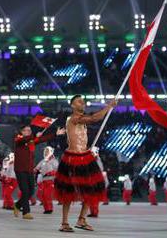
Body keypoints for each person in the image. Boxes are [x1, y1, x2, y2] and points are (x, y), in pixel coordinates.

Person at [54, 95, 117, 232]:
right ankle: (64, 223)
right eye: (78, 101)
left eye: (83, 101)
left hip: (85, 156)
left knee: (92, 189)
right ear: (72, 105)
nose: (82, 103)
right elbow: (95, 118)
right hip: (72, 157)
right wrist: (109, 106)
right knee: (68, 191)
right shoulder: (73, 118)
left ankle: (81, 219)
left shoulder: (81, 119)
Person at [13, 124, 65, 220]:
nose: (28, 132)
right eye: (26, 130)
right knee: (25, 191)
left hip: (29, 169)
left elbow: (43, 139)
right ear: (22, 131)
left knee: (31, 191)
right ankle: (26, 212)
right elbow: (24, 140)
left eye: (29, 130)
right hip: (20, 169)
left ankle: (17, 205)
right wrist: (34, 136)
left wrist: (55, 134)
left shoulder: (31, 141)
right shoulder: (18, 139)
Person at [35, 146, 59, 214]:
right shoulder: (43, 161)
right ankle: (46, 209)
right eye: (45, 151)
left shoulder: (54, 161)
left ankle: (49, 209)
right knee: (43, 195)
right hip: (44, 181)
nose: (45, 153)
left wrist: (50, 173)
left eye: (47, 151)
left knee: (47, 195)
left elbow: (57, 171)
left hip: (51, 180)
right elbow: (37, 168)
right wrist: (34, 170)